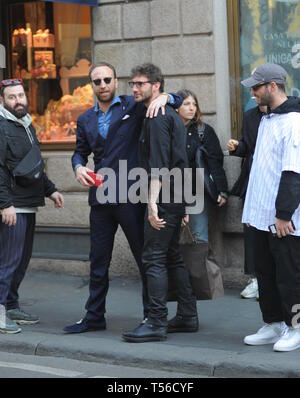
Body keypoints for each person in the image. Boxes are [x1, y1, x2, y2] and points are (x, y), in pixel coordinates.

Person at [64, 62, 182, 334]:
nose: (103, 85)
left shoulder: (134, 105)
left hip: (131, 194)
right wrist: (79, 166)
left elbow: (180, 99)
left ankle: (150, 317)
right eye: (97, 81)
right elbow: (79, 151)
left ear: (116, 81)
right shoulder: (85, 119)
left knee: (144, 259)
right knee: (98, 261)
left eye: (107, 79)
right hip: (101, 198)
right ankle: (94, 316)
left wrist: (167, 96)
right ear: (91, 86)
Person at [122, 64, 198, 343]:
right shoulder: (168, 112)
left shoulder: (156, 116)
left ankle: (155, 321)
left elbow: (159, 165)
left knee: (153, 257)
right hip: (176, 196)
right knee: (171, 255)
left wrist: (152, 203)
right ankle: (188, 315)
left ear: (156, 85)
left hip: (164, 196)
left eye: (140, 84)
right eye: (133, 84)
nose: (134, 89)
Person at [241, 63, 300, 352]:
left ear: (272, 87)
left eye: (256, 87)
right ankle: (274, 323)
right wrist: (251, 213)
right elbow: (260, 168)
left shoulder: (294, 122)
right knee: (264, 273)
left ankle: (296, 326)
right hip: (260, 214)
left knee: (289, 275)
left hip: (283, 218)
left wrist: (283, 214)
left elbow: (293, 172)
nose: (252, 92)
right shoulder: (265, 120)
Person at [0, 78, 64, 334]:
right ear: (3, 101)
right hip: (13, 207)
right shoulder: (2, 127)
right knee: (8, 261)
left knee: (21, 261)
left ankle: (12, 304)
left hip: (29, 204)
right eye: (12, 97)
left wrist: (51, 190)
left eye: (21, 96)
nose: (18, 101)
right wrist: (4, 204)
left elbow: (34, 164)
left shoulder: (27, 125)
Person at [177, 89, 228, 246]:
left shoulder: (203, 131)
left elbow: (215, 162)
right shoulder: (168, 130)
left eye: (194, 104)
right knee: (171, 237)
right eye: (186, 104)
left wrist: (222, 190)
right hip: (171, 191)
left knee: (199, 236)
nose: (192, 108)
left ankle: (198, 270)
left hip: (196, 191)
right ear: (176, 107)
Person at [227, 105, 267, 299]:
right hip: (252, 180)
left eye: (257, 88)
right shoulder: (250, 115)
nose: (253, 93)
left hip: (276, 182)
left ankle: (272, 283)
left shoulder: (287, 114)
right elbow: (246, 146)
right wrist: (237, 147)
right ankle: (256, 280)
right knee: (251, 232)